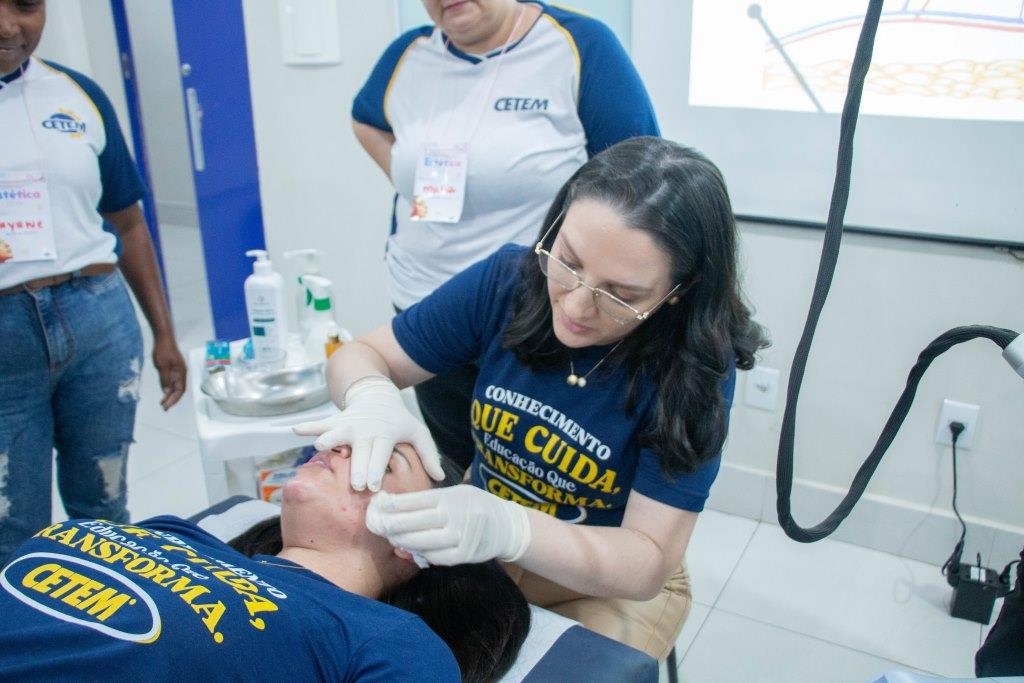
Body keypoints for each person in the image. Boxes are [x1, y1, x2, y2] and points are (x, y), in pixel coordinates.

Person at [296, 137, 769, 659]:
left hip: (601, 579)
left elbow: (646, 562)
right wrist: (370, 396)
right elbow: (360, 355)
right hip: (476, 549)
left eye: (620, 295)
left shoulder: (693, 367)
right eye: (567, 262)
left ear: (680, 290)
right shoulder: (509, 282)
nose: (577, 306)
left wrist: (513, 528)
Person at [352, 0, 660, 472]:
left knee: (532, 469)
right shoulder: (408, 54)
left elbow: (641, 177)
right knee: (454, 458)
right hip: (424, 299)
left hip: (532, 312)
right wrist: (408, 180)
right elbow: (365, 118)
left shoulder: (580, 45)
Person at [0, 444, 531, 681]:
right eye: (348, 439)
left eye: (381, 460)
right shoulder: (179, 534)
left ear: (414, 540)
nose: (336, 447)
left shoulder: (386, 642)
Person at [0, 0, 187, 566]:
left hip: (97, 319)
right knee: (13, 526)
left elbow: (128, 222)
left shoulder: (77, 95)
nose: (8, 26)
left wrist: (164, 334)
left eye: (26, 5)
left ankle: (110, 614)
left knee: (104, 508)